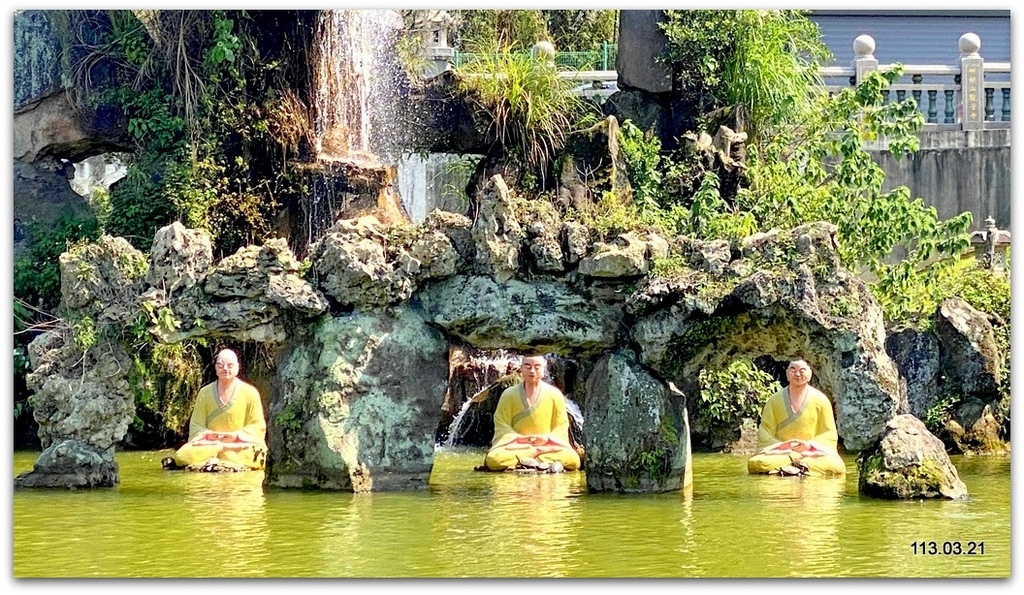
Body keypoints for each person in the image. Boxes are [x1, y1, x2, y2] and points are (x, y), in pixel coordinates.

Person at [169, 348, 268, 471]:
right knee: (182, 456)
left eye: (230, 365)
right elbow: (196, 426)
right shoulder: (204, 393)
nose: (225, 369)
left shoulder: (250, 392)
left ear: (238, 367)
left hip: (239, 446)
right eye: (220, 365)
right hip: (210, 444)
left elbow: (257, 426)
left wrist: (235, 436)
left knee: (258, 455)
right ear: (215, 368)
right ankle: (220, 451)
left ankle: (220, 452)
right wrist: (209, 435)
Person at [481, 353, 582, 472]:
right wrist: (519, 439)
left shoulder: (555, 395)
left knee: (573, 459)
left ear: (544, 370)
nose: (532, 371)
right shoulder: (508, 395)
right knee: (495, 459)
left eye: (537, 367)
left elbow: (561, 426)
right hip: (518, 446)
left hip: (547, 445)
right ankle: (536, 456)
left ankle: (529, 458)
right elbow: (501, 424)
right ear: (521, 369)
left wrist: (546, 439)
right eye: (528, 366)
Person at [747, 357, 846, 476]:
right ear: (787, 374)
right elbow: (765, 432)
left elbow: (829, 433)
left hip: (810, 453)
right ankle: (800, 467)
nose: (798, 374)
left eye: (802, 370)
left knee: (836, 466)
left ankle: (793, 467)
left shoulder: (821, 400)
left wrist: (809, 446)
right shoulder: (774, 401)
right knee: (757, 463)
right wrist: (783, 446)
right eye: (793, 370)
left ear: (809, 375)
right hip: (782, 453)